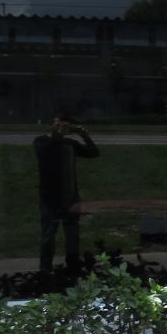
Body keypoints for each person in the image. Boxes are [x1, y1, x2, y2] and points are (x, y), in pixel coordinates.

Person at [34, 114, 99, 277]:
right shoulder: (41, 141)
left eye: (63, 125)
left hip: (70, 196)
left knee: (72, 236)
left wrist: (84, 135)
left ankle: (73, 266)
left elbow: (93, 153)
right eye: (57, 124)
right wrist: (59, 134)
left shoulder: (69, 144)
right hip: (49, 197)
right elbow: (47, 149)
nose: (60, 128)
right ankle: (45, 268)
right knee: (49, 234)